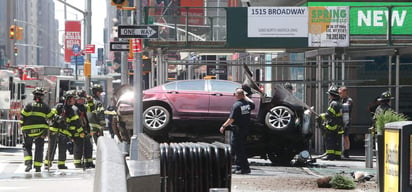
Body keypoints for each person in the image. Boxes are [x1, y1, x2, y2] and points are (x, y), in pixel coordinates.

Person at [219, 88, 255, 174]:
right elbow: (253, 104)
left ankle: (244, 168)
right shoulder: (247, 104)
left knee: (238, 150)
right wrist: (245, 96)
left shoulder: (237, 105)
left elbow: (231, 119)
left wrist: (223, 126)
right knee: (240, 149)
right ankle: (240, 167)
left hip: (238, 130)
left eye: (235, 94)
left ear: (237, 95)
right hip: (245, 130)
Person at [20, 87, 53, 172]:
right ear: (42, 96)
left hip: (28, 131)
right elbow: (51, 116)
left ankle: (28, 165)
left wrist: (22, 127)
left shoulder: (28, 105)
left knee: (27, 147)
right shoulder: (45, 106)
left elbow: (22, 116)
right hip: (40, 131)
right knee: (39, 148)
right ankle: (37, 167)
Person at [43, 96, 73, 170]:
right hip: (54, 130)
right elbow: (52, 114)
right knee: (52, 146)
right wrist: (58, 118)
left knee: (63, 148)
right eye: (72, 99)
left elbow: (71, 120)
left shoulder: (70, 109)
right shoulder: (59, 106)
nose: (73, 101)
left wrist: (66, 121)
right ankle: (48, 162)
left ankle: (61, 164)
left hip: (63, 131)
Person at [318, 85, 344, 161]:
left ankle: (330, 155)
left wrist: (321, 116)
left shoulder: (333, 104)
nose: (328, 96)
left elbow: (329, 115)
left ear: (332, 95)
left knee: (330, 141)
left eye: (329, 94)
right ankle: (337, 156)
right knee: (337, 142)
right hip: (339, 126)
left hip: (333, 127)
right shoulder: (339, 103)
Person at [74, 90, 95, 168]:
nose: (82, 101)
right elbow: (75, 121)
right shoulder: (75, 108)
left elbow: (91, 108)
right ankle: (77, 163)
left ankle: (89, 162)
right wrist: (79, 131)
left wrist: (90, 101)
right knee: (79, 147)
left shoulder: (83, 107)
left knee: (88, 147)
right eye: (80, 99)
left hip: (86, 129)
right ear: (77, 99)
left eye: (83, 99)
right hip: (78, 131)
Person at [339, 86, 353, 158]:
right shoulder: (340, 99)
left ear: (345, 92)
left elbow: (346, 107)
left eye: (341, 93)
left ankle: (346, 151)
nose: (340, 94)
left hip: (346, 120)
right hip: (339, 120)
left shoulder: (349, 100)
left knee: (346, 136)